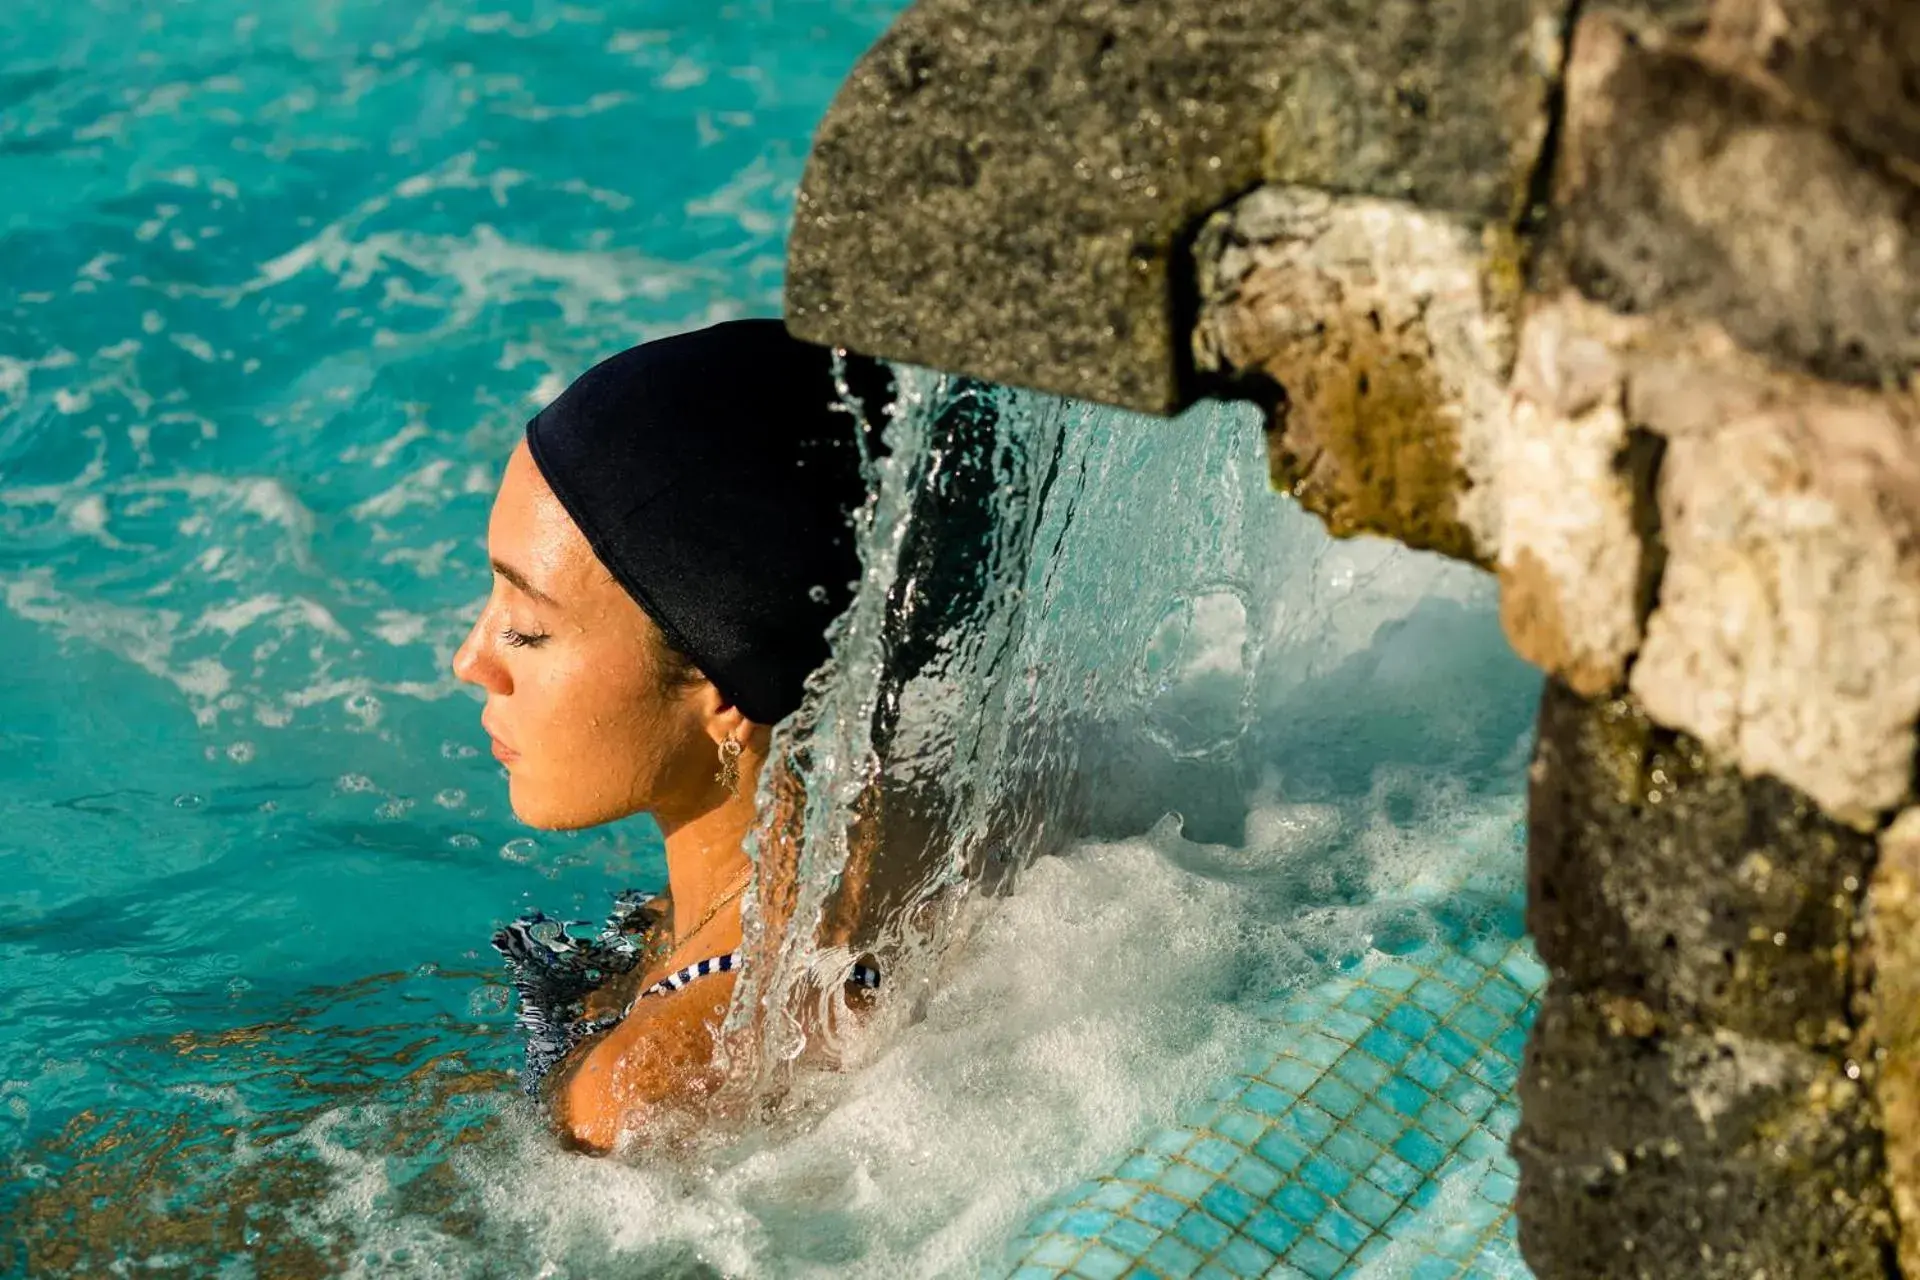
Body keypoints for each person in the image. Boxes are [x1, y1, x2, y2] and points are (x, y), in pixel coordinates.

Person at [453, 320, 889, 1153]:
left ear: (722, 689)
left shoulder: (633, 1095)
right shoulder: (938, 837)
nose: (471, 660)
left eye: (529, 631)